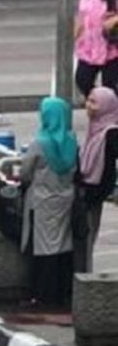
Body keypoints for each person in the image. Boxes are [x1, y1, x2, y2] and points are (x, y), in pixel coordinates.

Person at [19, 97, 78, 309]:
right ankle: (63, 291)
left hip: (43, 201)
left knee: (44, 249)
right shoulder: (71, 140)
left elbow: (25, 172)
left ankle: (44, 295)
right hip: (65, 199)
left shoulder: (39, 143)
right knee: (63, 244)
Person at [75, 87, 118, 273]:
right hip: (87, 190)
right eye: (88, 100)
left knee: (87, 235)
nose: (88, 106)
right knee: (84, 237)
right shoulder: (94, 128)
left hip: (94, 193)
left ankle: (84, 276)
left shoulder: (111, 133)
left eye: (94, 102)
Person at [74, 0, 118, 98]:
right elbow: (81, 16)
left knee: (110, 85)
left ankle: (111, 110)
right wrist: (76, 34)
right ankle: (97, 102)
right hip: (89, 45)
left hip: (110, 47)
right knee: (82, 79)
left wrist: (115, 20)